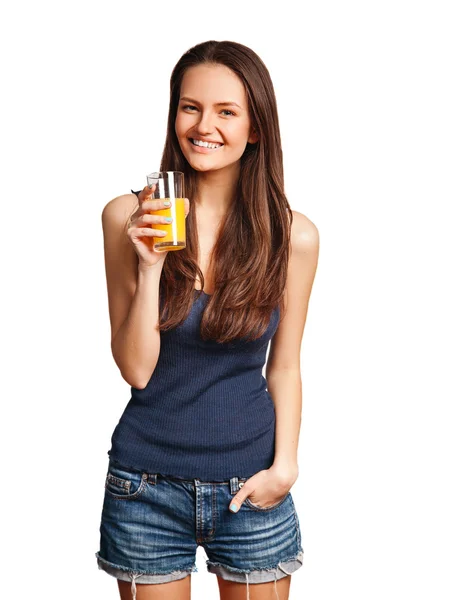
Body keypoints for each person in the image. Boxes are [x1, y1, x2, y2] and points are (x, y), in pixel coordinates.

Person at [95, 40, 319, 600]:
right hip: (145, 486)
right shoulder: (128, 217)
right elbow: (137, 371)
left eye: (226, 111)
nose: (203, 125)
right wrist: (150, 269)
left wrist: (285, 467)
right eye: (190, 106)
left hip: (251, 487)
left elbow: (285, 366)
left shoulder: (293, 237)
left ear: (256, 128)